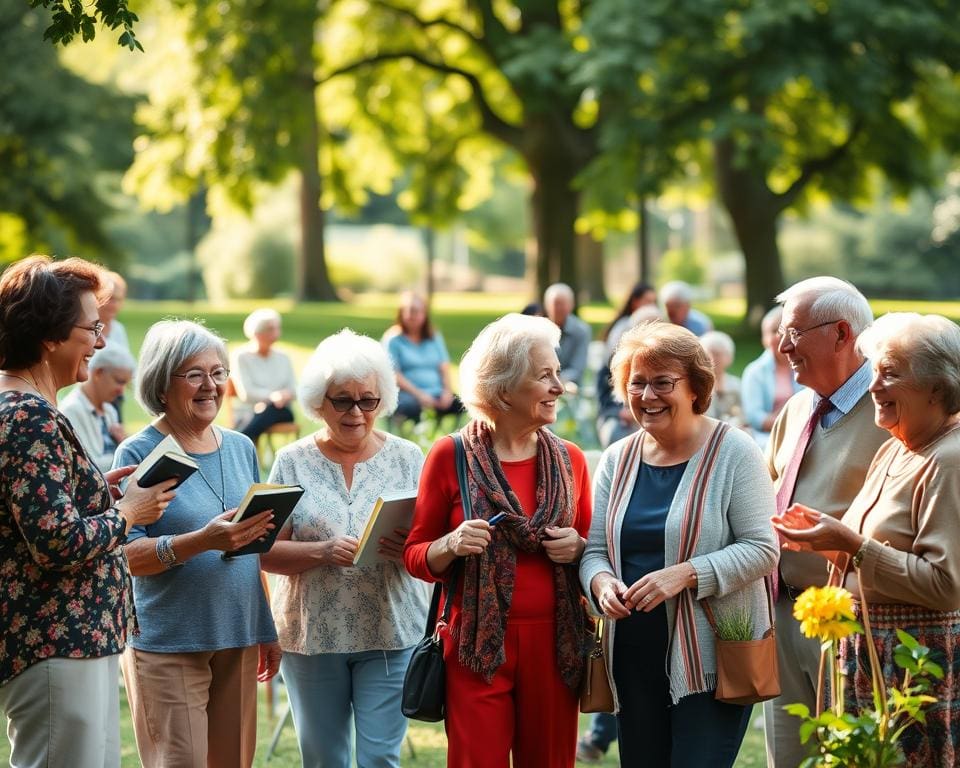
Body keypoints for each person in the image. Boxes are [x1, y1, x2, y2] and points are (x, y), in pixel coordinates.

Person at [0, 256, 174, 768]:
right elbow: (56, 542)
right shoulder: (27, 416)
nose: (100, 344)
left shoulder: (28, 408)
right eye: (93, 328)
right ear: (51, 337)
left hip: (73, 641)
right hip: (56, 641)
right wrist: (130, 513)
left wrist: (100, 491)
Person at [580, 320, 778, 767]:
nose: (647, 396)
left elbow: (764, 548)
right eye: (637, 384)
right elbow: (594, 551)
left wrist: (685, 575)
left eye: (663, 383)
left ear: (696, 387)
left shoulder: (735, 451)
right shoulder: (617, 458)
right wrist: (602, 584)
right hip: (632, 653)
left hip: (711, 658)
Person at [404, 313, 593, 767]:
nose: (559, 387)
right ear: (504, 389)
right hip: (473, 644)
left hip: (556, 644)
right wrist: (449, 544)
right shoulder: (450, 455)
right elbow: (414, 554)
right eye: (544, 376)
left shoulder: (572, 459)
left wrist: (581, 549)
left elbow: (597, 553)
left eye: (558, 375)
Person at [774, 312, 960, 766]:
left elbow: (945, 584)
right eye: (873, 370)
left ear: (938, 387)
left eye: (889, 374)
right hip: (871, 661)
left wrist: (852, 545)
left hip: (917, 671)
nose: (873, 386)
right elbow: (876, 553)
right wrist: (824, 541)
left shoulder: (949, 459)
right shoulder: (897, 446)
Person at [260, 329, 429, 768]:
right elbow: (263, 552)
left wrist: (408, 546)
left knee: (379, 759)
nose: (356, 412)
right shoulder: (292, 461)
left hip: (391, 629)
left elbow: (433, 545)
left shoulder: (410, 458)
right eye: (343, 401)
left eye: (367, 401)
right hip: (312, 634)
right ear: (320, 402)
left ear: (382, 400)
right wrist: (322, 551)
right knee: (323, 759)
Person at [116, 319, 281, 768]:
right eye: (194, 374)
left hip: (239, 633)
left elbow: (250, 549)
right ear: (161, 384)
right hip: (168, 641)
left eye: (219, 372)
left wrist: (265, 627)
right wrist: (201, 540)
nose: (211, 385)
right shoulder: (137, 452)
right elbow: (126, 555)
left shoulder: (242, 446)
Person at [761, 277, 888, 767]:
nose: (782, 345)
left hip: (851, 623)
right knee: (787, 759)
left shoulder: (889, 410)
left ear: (840, 334)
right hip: (784, 614)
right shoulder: (797, 408)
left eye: (794, 332)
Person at [386, 290, 463, 423]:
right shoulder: (393, 339)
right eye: (409, 311)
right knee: (410, 407)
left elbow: (444, 366)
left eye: (416, 311)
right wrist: (420, 395)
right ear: (401, 313)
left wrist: (447, 392)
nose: (412, 315)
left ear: (424, 314)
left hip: (437, 391)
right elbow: (394, 374)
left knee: (461, 404)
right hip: (408, 395)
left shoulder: (434, 337)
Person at [60, 344, 137, 472]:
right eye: (119, 381)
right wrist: (127, 452)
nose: (121, 391)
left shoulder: (109, 410)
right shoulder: (71, 410)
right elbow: (86, 465)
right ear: (98, 373)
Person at [230, 308, 298, 442]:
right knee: (262, 412)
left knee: (269, 410)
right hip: (248, 412)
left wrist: (279, 398)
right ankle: (240, 442)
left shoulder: (284, 357)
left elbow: (294, 390)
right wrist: (271, 397)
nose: (276, 333)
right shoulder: (241, 357)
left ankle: (237, 442)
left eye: (277, 328)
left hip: (280, 411)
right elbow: (246, 393)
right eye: (270, 329)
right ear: (257, 333)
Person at [740, 306, 801, 448]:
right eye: (774, 331)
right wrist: (788, 425)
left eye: (785, 331)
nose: (780, 336)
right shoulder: (754, 372)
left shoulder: (804, 367)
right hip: (766, 437)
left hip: (802, 432)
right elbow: (755, 417)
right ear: (764, 338)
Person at [544, 282, 593, 387]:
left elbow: (577, 369)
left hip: (570, 387)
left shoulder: (581, 331)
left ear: (571, 305)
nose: (559, 309)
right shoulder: (539, 330)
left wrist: (554, 381)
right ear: (547, 306)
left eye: (562, 304)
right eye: (555, 304)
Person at [602, 282, 658, 360]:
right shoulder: (624, 325)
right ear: (635, 301)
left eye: (654, 302)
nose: (651, 306)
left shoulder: (654, 325)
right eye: (647, 301)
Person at [700, 331, 742, 425]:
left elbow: (743, 415)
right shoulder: (697, 385)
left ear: (729, 358)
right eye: (708, 354)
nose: (712, 358)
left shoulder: (736, 384)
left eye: (717, 354)